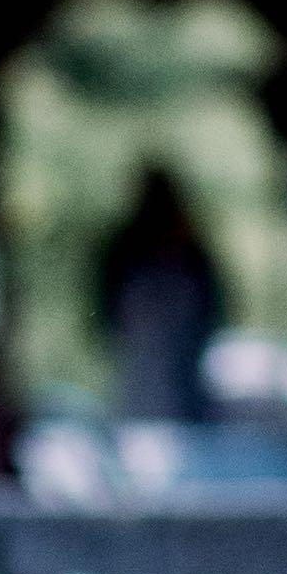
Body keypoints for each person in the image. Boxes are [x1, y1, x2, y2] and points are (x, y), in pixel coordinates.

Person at [96, 164, 228, 427]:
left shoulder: (188, 249)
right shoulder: (127, 247)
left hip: (181, 383)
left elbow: (211, 307)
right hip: (140, 377)